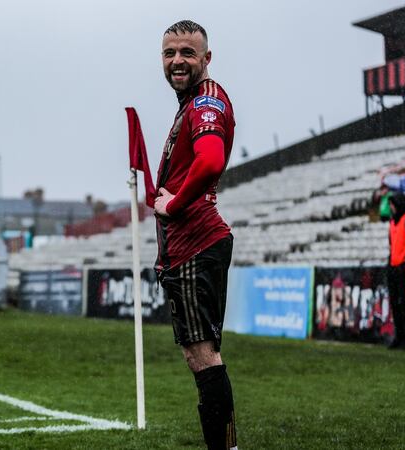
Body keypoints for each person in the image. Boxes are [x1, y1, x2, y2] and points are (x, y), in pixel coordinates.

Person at [152, 21, 237, 449]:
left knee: (202, 356)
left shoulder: (205, 102)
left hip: (196, 243)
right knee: (201, 355)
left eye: (187, 52)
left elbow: (210, 161)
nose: (177, 61)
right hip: (192, 246)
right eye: (170, 53)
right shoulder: (193, 103)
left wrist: (175, 204)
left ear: (206, 58)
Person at [386, 192, 405, 349]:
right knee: (395, 303)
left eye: (392, 204)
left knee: (404, 303)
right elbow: (392, 244)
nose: (390, 207)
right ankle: (399, 335)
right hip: (393, 268)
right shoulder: (392, 223)